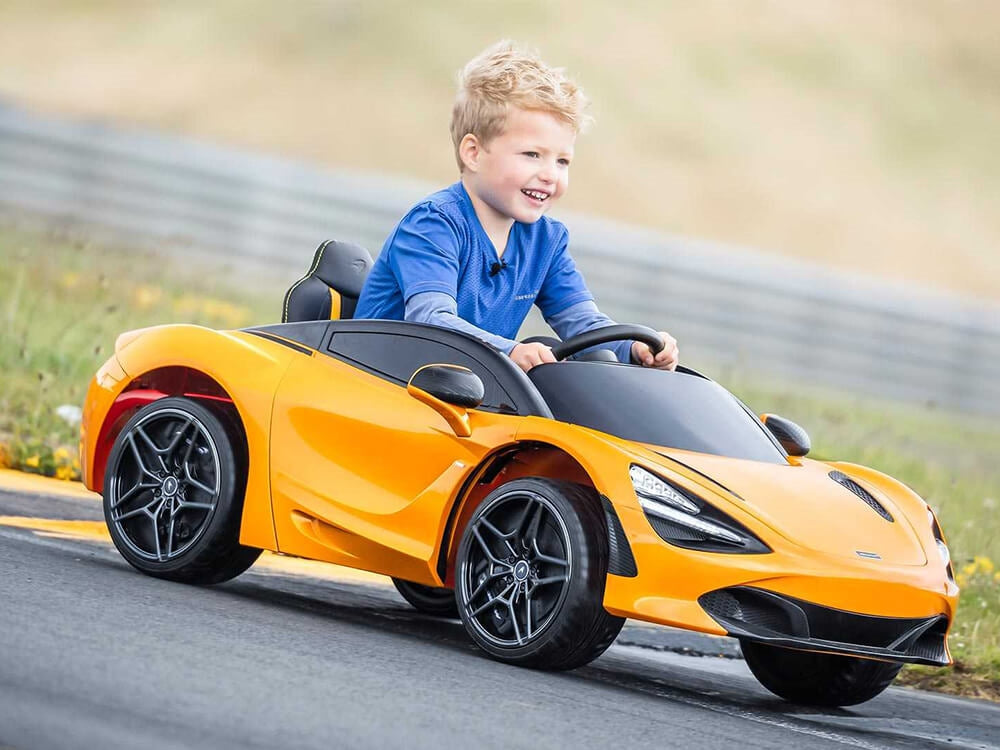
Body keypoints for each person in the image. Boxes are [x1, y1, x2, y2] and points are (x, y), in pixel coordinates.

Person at [354, 40, 679, 372]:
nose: (549, 175)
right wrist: (508, 351)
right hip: (381, 383)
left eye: (562, 161)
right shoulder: (433, 224)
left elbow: (582, 322)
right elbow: (431, 321)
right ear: (474, 153)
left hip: (457, 389)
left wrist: (635, 347)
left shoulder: (546, 242)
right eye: (532, 155)